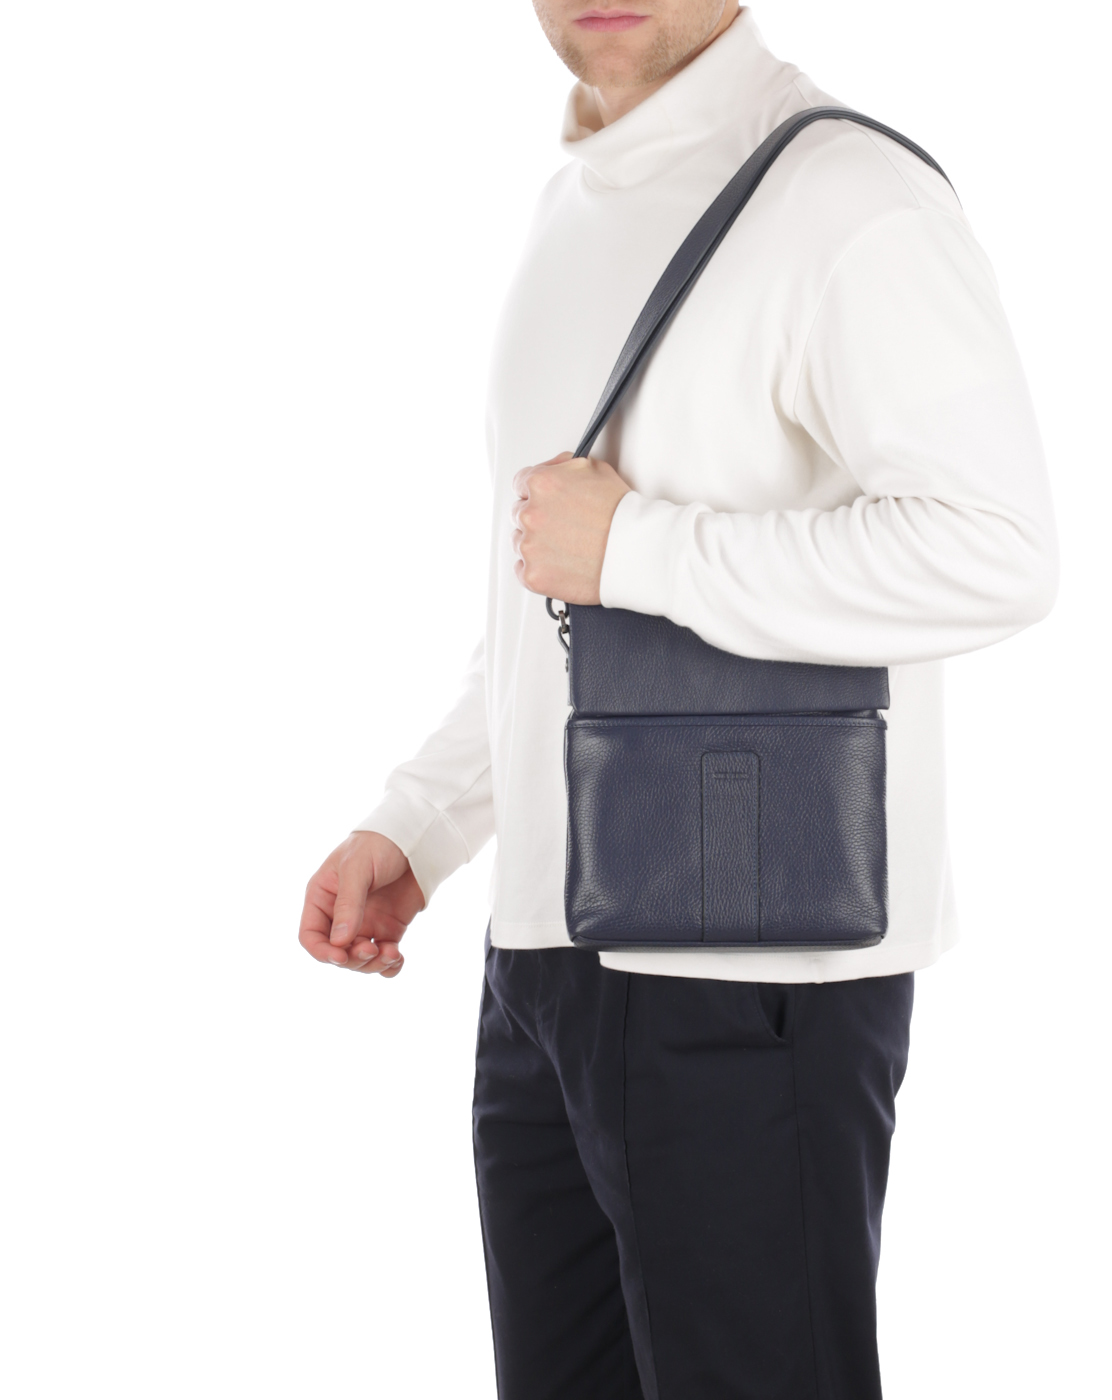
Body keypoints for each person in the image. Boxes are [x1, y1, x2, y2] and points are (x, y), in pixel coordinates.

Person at [298, 2, 1057, 1395]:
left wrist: (642, 548)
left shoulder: (849, 198)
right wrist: (422, 822)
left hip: (752, 972)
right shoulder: (568, 208)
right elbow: (546, 606)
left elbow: (996, 553)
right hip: (544, 959)